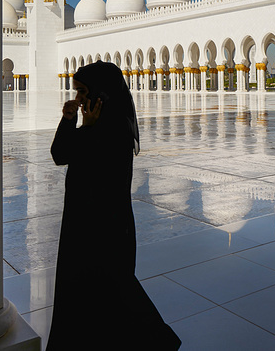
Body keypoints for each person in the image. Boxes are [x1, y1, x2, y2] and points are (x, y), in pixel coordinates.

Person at [47, 61, 181, 350]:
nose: (78, 99)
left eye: (83, 92)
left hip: (101, 226)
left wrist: (85, 128)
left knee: (114, 288)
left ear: (101, 94)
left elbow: (73, 154)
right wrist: (71, 119)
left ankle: (159, 340)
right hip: (88, 223)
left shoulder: (114, 129)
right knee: (103, 292)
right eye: (77, 92)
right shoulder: (99, 126)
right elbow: (60, 154)